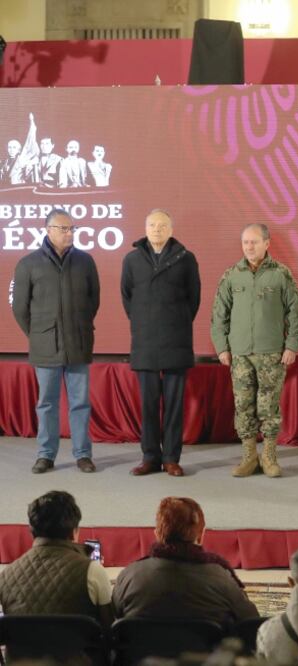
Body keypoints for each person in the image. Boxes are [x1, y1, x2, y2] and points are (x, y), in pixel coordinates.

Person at [211, 223, 298, 478]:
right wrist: (222, 348)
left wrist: (292, 346)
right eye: (245, 243)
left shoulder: (281, 274)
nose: (249, 247)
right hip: (240, 354)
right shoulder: (232, 275)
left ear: (267, 243)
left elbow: (297, 313)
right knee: (243, 405)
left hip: (271, 354)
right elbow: (219, 315)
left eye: (254, 242)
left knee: (269, 407)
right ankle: (249, 457)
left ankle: (269, 457)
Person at [12, 208, 101, 474]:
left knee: (80, 402)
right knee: (47, 403)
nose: (70, 232)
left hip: (78, 343)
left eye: (72, 228)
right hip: (45, 346)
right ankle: (46, 455)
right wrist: (38, 333)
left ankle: (83, 454)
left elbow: (93, 301)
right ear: (49, 230)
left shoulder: (85, 262)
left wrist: (78, 327)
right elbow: (20, 308)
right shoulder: (28, 263)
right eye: (64, 229)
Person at [121, 209, 201, 477]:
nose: (157, 229)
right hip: (145, 341)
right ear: (145, 228)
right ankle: (150, 457)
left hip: (176, 339)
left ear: (171, 229)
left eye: (162, 225)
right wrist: (145, 322)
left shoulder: (186, 259)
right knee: (148, 405)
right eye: (152, 225)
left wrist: (176, 321)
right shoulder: (132, 260)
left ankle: (171, 458)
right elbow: (127, 299)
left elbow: (194, 300)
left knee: (175, 406)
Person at [113, 497, 259, 628]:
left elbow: (112, 623)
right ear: (201, 535)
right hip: (209, 657)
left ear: (157, 534)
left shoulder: (129, 576)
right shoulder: (221, 578)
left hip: (138, 657)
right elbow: (251, 624)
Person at [0, 491, 114, 633]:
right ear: (74, 532)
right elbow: (110, 628)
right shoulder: (92, 570)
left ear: (31, 531)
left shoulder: (6, 575)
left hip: (20, 654)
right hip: (78, 654)